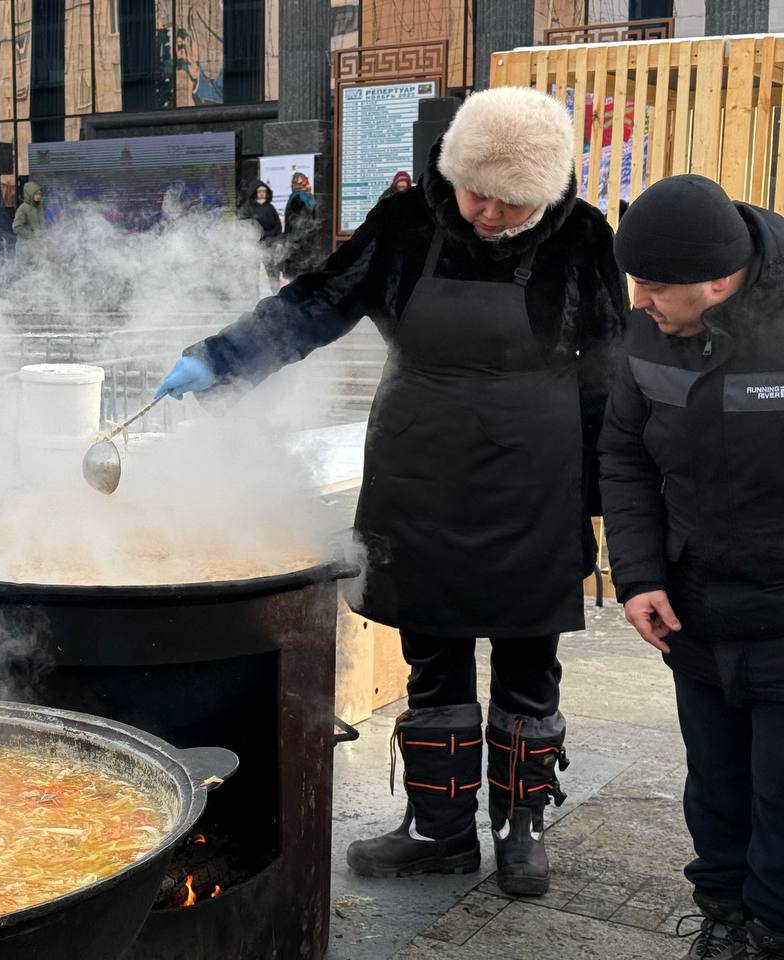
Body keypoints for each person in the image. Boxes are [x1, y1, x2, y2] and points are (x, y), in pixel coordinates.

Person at [154, 87, 627, 895]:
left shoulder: (581, 236)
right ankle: (439, 829)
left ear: (545, 193)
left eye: (510, 201)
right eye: (476, 192)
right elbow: (320, 301)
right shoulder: (408, 222)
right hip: (420, 471)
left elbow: (610, 370)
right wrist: (223, 358)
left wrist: (597, 491)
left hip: (536, 479)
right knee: (433, 658)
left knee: (528, 662)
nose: (488, 212)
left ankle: (521, 829)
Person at [600, 174, 784, 960]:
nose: (638, 301)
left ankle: (772, 930)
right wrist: (639, 575)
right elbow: (625, 454)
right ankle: (724, 919)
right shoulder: (649, 328)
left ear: (718, 279)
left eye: (653, 286)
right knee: (714, 781)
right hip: (696, 607)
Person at [238, 180, 283, 288]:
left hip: (270, 243)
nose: (262, 194)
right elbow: (244, 225)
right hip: (254, 245)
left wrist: (271, 237)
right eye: (260, 191)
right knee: (252, 271)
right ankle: (252, 293)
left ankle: (276, 291)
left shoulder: (270, 208)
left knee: (272, 270)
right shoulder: (247, 208)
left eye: (264, 191)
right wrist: (255, 236)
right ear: (254, 192)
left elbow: (278, 226)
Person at [282, 171, 322, 281]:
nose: (292, 185)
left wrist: (292, 240)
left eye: (294, 183)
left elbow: (299, 223)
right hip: (309, 242)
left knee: (297, 274)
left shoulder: (297, 197)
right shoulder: (310, 198)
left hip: (298, 243)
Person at [12, 181, 44, 262]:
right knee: (24, 269)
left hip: (37, 249)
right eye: (36, 194)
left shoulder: (39, 208)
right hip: (24, 250)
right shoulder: (23, 209)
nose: (38, 196)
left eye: (39, 194)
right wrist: (31, 236)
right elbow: (16, 227)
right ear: (30, 194)